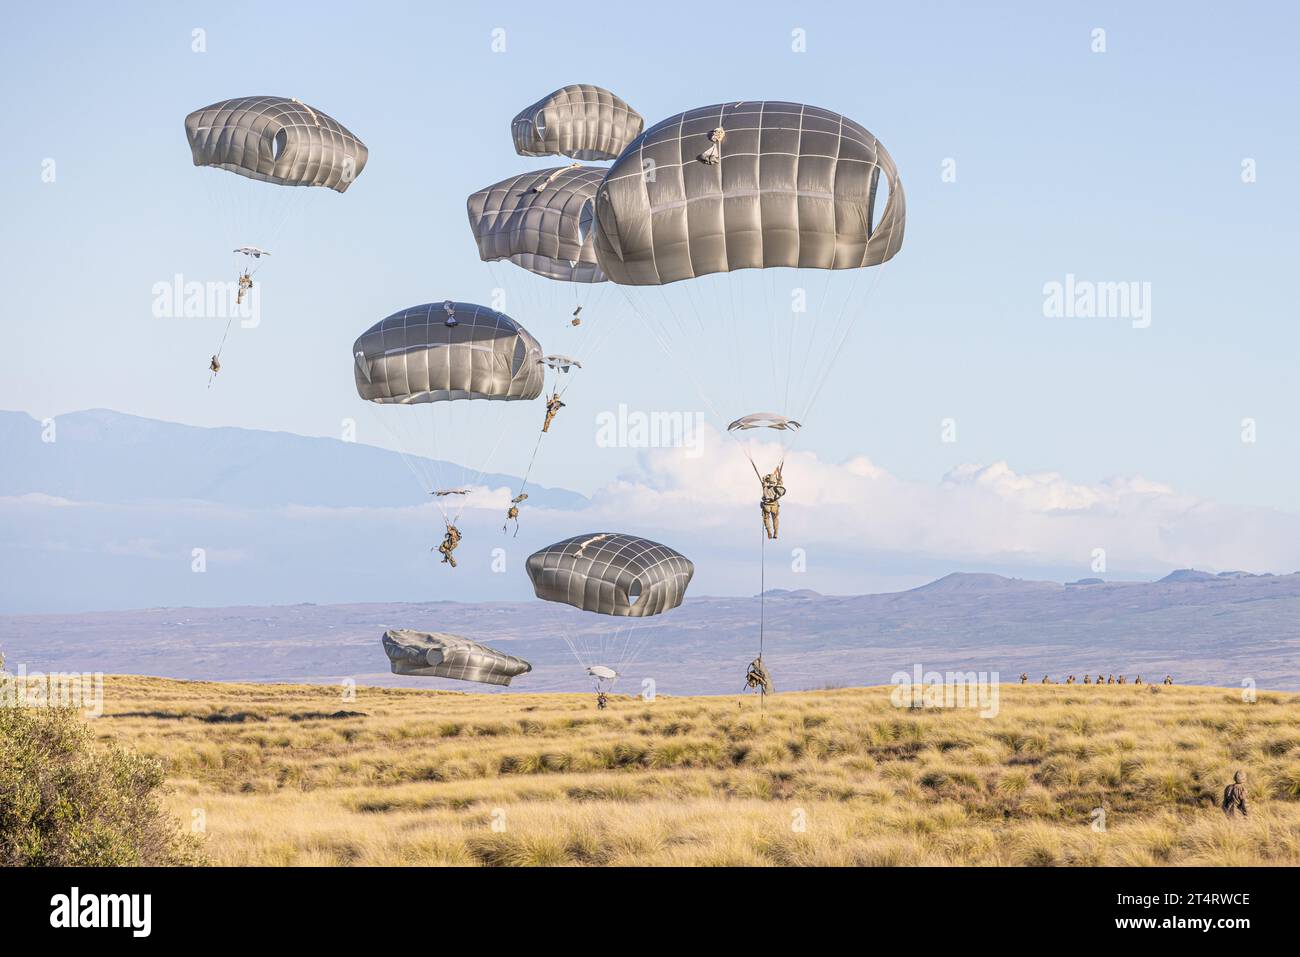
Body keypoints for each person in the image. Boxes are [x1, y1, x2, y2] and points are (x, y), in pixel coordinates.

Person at [760, 465, 786, 540]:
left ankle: (769, 532)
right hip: (774, 505)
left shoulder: (765, 486)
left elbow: (764, 479)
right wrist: (779, 475)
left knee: (766, 519)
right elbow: (780, 482)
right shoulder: (778, 487)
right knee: (775, 519)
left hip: (766, 506)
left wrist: (767, 478)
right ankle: (776, 533)